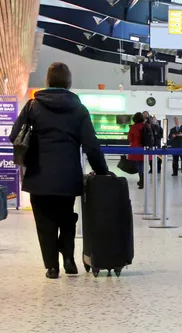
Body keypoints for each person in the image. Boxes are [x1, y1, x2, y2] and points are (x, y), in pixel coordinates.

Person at [8, 62, 110, 279]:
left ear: (48, 80)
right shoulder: (79, 108)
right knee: (66, 217)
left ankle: (52, 267)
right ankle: (69, 259)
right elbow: (91, 144)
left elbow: (14, 135)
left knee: (44, 221)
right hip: (67, 175)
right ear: (68, 81)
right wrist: (102, 171)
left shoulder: (33, 106)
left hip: (38, 175)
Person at [127, 113, 147, 189]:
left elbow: (130, 139)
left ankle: (141, 181)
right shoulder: (146, 126)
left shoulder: (133, 127)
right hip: (146, 148)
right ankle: (142, 180)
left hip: (136, 148)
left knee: (140, 165)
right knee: (143, 165)